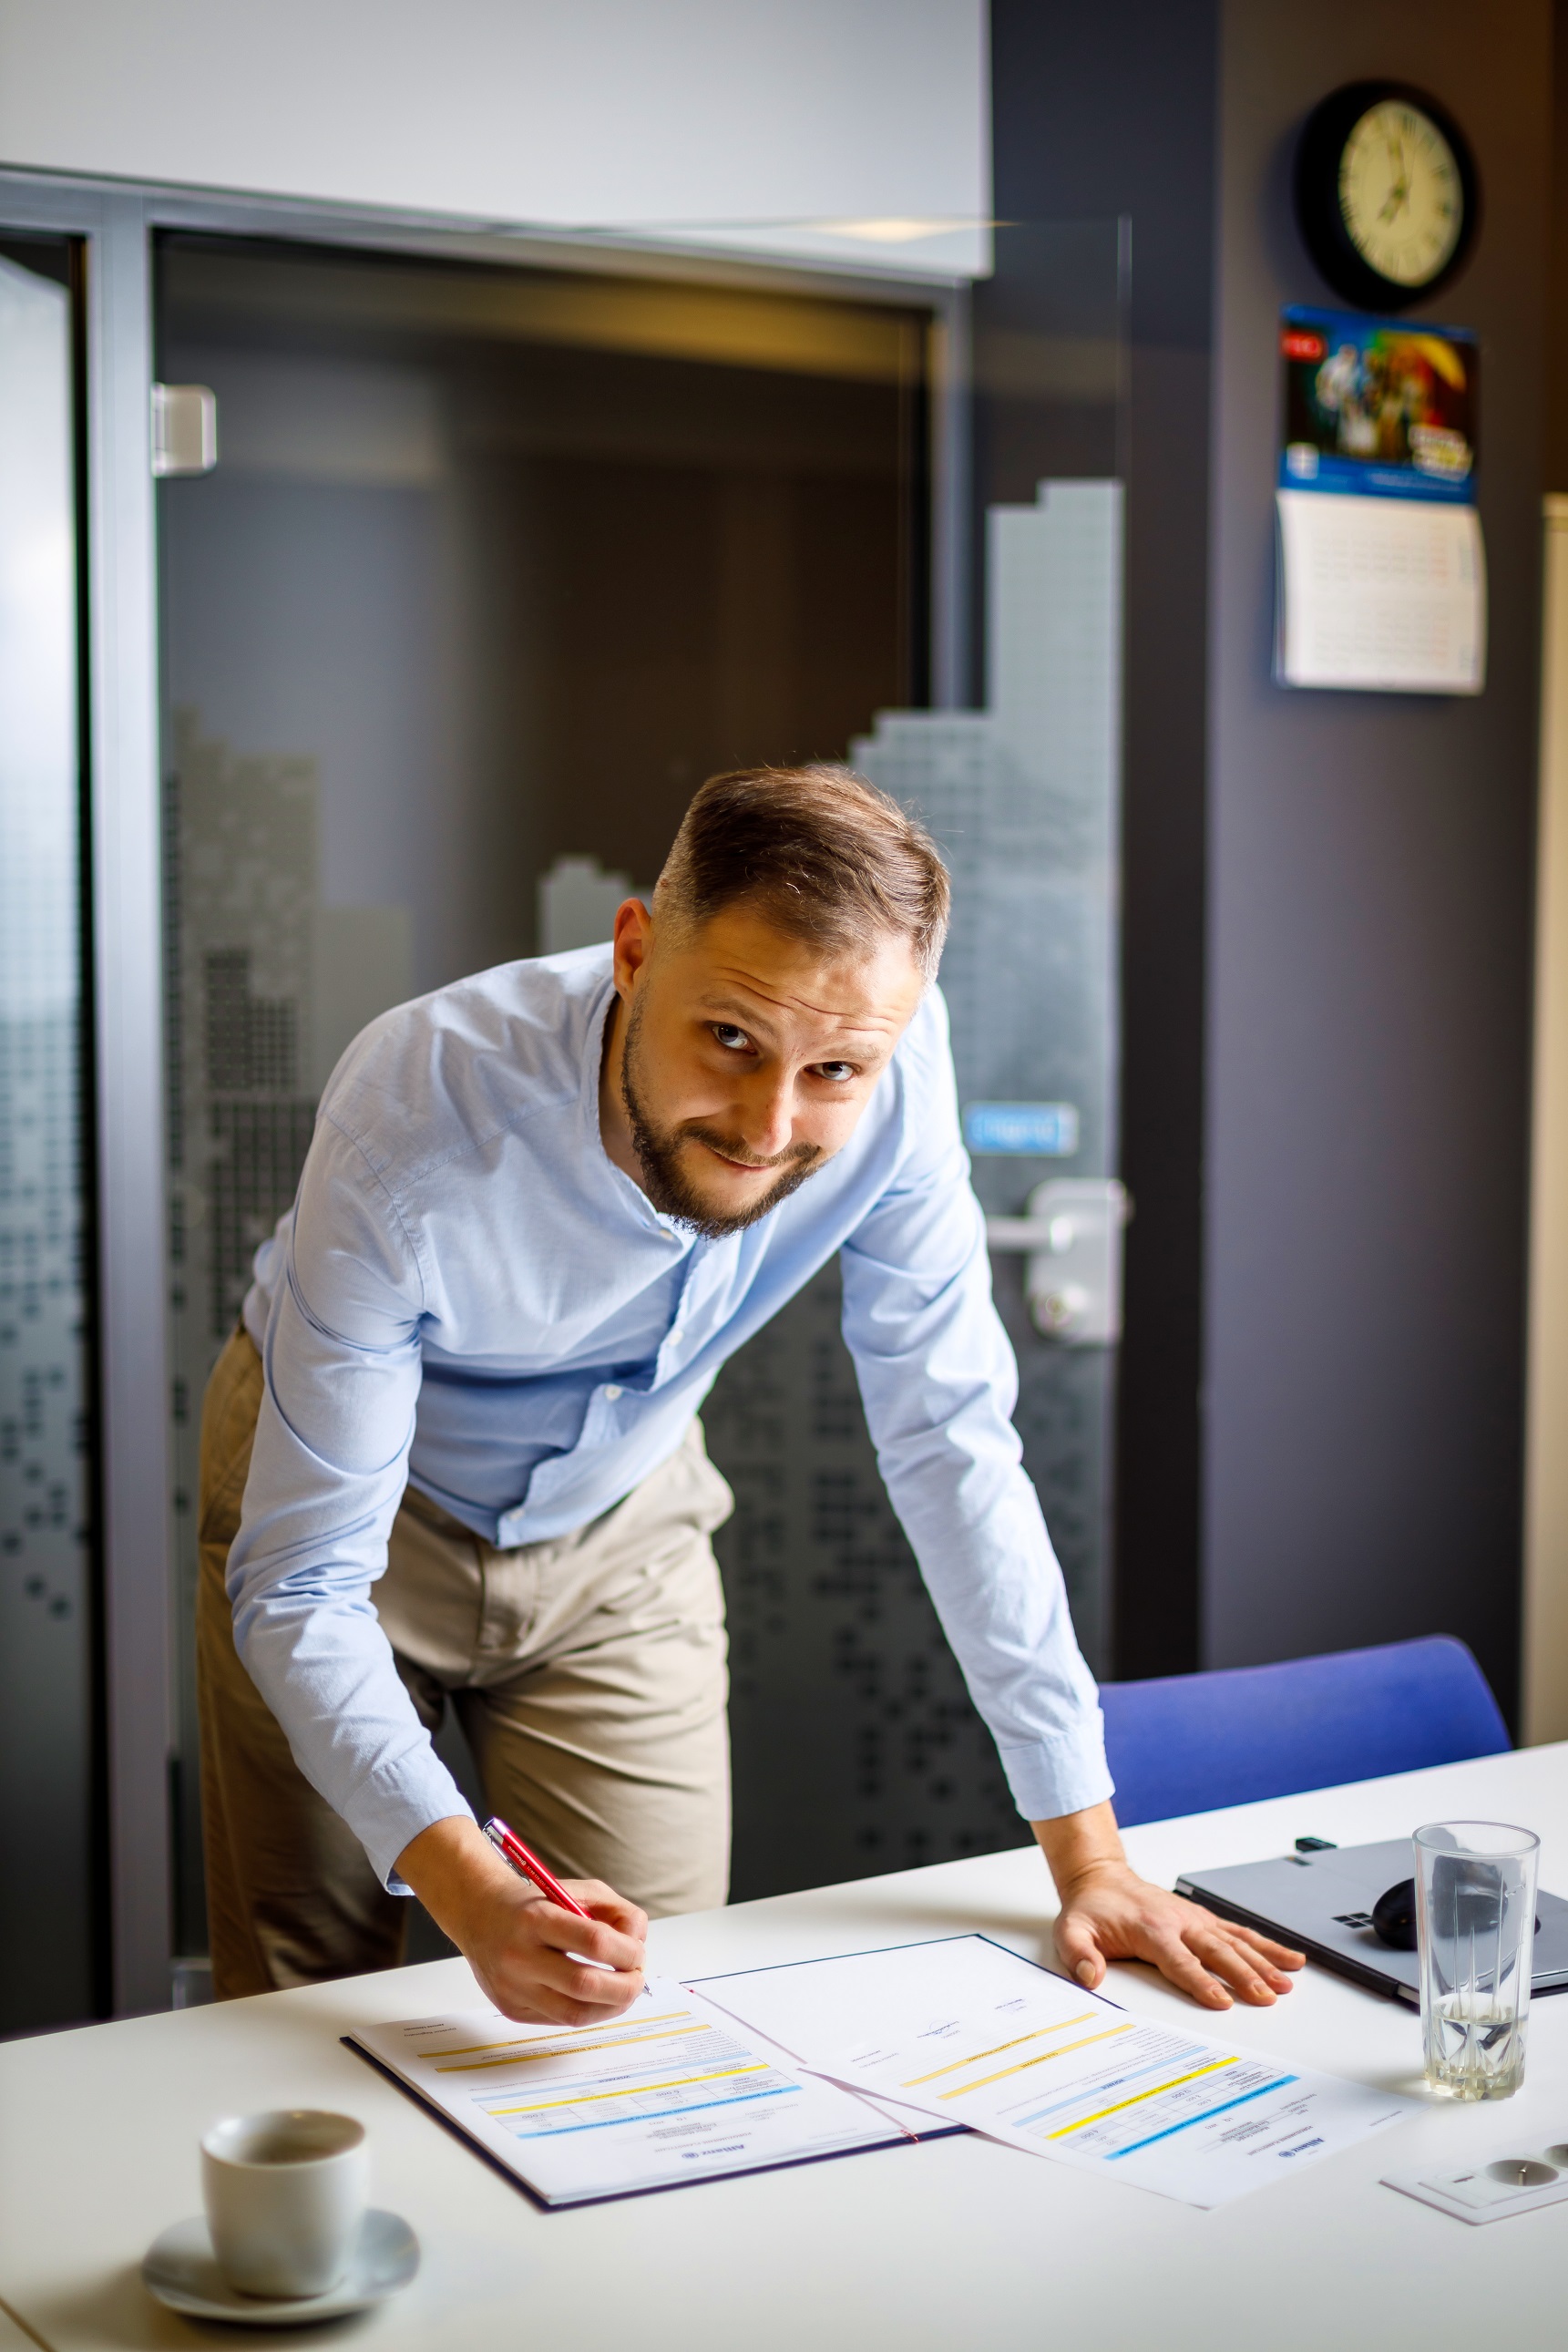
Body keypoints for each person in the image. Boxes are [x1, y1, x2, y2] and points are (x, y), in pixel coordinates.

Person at [199, 765, 1302, 2027]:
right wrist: (466, 1886)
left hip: (625, 1516)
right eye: (729, 1037)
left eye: (833, 1068)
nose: (769, 1125)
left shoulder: (896, 1069)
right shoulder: (418, 1106)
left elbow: (949, 1439)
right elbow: (303, 1585)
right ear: (634, 952)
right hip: (352, 1501)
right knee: (305, 2008)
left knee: (644, 1999)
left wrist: (1089, 1857)